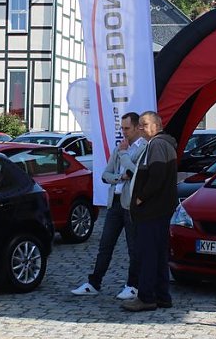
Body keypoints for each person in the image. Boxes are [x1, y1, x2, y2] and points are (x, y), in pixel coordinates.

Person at [71, 112, 147, 299]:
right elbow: (106, 174)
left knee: (133, 247)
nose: (123, 132)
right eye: (122, 128)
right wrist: (119, 177)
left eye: (127, 128)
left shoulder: (144, 148)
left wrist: (123, 158)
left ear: (138, 127)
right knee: (105, 245)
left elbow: (134, 171)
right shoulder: (119, 148)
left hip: (130, 204)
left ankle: (133, 284)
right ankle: (94, 282)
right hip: (114, 202)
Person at [122, 111, 178, 312]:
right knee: (158, 254)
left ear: (157, 125)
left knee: (148, 255)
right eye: (141, 125)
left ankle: (146, 297)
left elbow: (157, 176)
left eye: (145, 125)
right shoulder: (160, 145)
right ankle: (162, 296)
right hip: (157, 210)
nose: (141, 128)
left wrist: (140, 197)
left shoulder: (157, 145)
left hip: (152, 211)